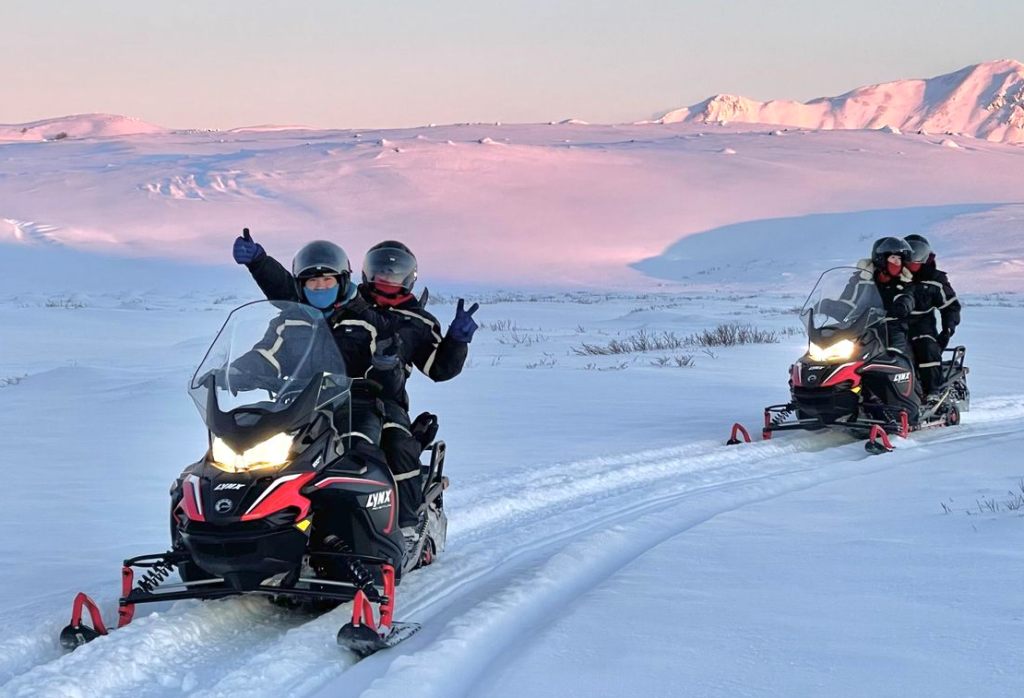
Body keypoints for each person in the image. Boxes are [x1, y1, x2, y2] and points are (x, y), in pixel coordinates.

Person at [234, 231, 477, 538]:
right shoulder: (346, 304)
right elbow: (296, 294)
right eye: (380, 270)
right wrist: (259, 263)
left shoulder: (405, 320)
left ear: (409, 277)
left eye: (393, 272)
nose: (386, 277)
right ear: (364, 272)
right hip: (309, 398)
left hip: (376, 397)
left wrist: (456, 341)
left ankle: (404, 524)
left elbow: (439, 368)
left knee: (393, 443)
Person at [234, 230, 403, 448]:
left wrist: (386, 364)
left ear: (341, 281)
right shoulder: (289, 322)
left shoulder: (369, 322)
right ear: (301, 285)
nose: (320, 286)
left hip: (355, 407)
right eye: (313, 280)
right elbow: (267, 355)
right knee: (243, 449)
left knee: (359, 452)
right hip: (297, 406)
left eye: (327, 280)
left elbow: (389, 384)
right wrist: (239, 370)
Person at [904, 234, 961, 401]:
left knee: (927, 347)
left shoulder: (934, 279)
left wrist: (948, 328)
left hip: (922, 324)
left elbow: (950, 305)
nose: (912, 260)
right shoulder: (892, 276)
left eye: (917, 254)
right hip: (892, 324)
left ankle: (932, 391)